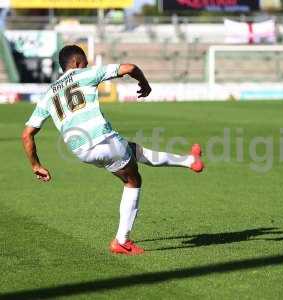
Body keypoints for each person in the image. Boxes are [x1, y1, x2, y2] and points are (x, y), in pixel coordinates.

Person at [21, 45, 204, 256]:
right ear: (78, 62)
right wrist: (144, 83)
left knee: (135, 152)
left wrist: (36, 165)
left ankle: (190, 161)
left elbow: (27, 135)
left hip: (81, 150)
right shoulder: (85, 74)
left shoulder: (48, 93)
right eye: (85, 62)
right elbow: (130, 67)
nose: (87, 65)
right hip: (102, 139)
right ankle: (122, 241)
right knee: (133, 180)